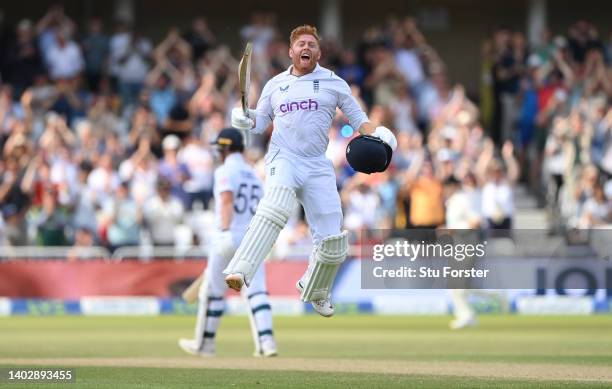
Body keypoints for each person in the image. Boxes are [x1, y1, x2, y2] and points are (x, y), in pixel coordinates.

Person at [225, 25, 397, 317]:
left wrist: (379, 134)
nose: (306, 47)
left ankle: (317, 289)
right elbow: (259, 120)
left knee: (333, 240)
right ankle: (241, 269)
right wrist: (243, 118)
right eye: (301, 44)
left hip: (317, 163)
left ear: (318, 52)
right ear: (291, 51)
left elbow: (359, 120)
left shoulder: (334, 82)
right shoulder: (275, 84)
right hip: (284, 157)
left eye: (312, 44)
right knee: (276, 205)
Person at [179, 128, 277, 357]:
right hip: (253, 238)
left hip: (229, 234)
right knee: (257, 292)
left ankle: (205, 345)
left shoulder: (224, 170)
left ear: (224, 148)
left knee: (212, 292)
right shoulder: (253, 173)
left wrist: (223, 232)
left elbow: (226, 200)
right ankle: (267, 342)